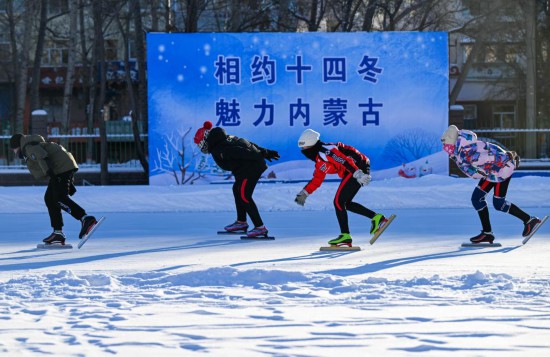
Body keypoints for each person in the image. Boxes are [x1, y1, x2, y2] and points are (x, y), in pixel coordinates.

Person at [441, 125, 541, 244]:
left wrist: (508, 158)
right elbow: (489, 148)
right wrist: (507, 155)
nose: (444, 148)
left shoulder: (466, 152)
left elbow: (479, 166)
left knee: (499, 203)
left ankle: (529, 220)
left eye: (446, 144)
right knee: (477, 199)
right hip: (492, 172)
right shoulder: (463, 148)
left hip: (501, 171)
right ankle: (487, 233)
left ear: (452, 142)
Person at [294, 129, 389, 247]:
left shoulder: (326, 151)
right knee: (345, 203)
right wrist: (304, 193)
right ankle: (377, 218)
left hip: (357, 167)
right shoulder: (319, 160)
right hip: (355, 170)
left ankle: (345, 235)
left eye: (304, 149)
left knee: (338, 201)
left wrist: (358, 174)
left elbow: (345, 161)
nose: (303, 152)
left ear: (311, 146)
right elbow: (317, 179)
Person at [193, 121, 280, 237]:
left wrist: (262, 154)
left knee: (244, 195)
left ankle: (260, 227)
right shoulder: (224, 139)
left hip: (251, 168)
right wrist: (265, 152)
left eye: (201, 144)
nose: (201, 148)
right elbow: (246, 143)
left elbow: (243, 151)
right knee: (237, 190)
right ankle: (241, 222)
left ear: (206, 140)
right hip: (245, 168)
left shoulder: (220, 148)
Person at [10, 133, 98, 246]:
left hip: (60, 169)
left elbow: (42, 156)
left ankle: (85, 218)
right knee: (49, 199)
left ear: (18, 145)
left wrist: (50, 173)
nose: (14, 151)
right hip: (61, 168)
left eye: (14, 148)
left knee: (59, 198)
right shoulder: (31, 144)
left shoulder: (28, 147)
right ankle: (58, 233)